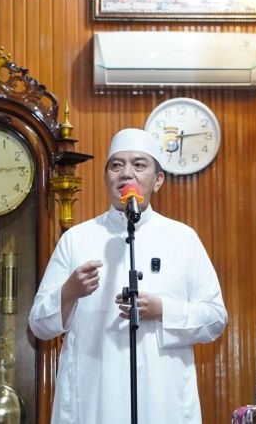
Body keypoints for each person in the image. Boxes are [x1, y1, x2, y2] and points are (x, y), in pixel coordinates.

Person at [29, 128, 227, 424]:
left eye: (139, 164)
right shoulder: (77, 239)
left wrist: (163, 310)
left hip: (161, 399)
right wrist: (69, 292)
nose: (126, 173)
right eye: (116, 165)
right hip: (93, 397)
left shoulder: (182, 238)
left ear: (158, 180)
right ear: (107, 177)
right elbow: (40, 326)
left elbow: (215, 318)